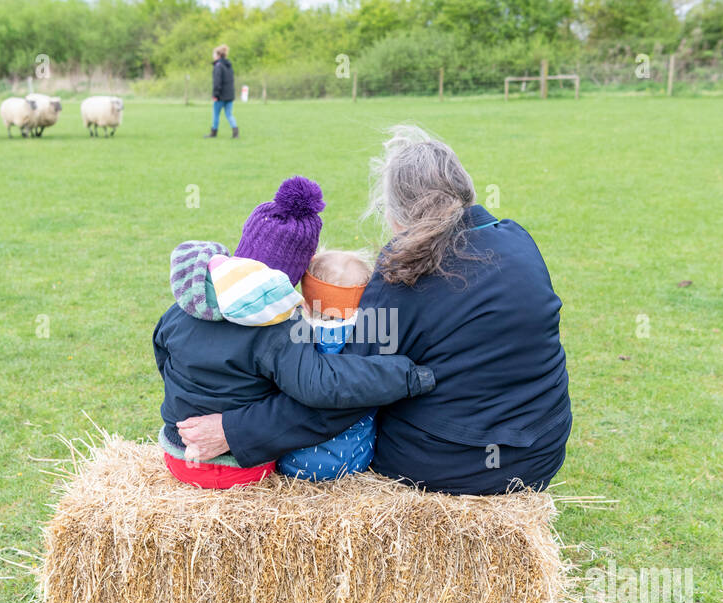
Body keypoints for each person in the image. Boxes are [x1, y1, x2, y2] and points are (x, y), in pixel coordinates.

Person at [178, 126, 572, 496]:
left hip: (447, 463)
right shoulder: (519, 240)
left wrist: (233, 431)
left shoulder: (404, 273)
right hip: (541, 454)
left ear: (397, 212)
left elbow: (342, 393)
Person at [153, 177, 436, 489]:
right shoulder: (279, 328)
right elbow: (318, 386)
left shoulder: (183, 304)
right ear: (297, 273)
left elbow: (162, 353)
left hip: (177, 454)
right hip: (238, 467)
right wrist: (406, 375)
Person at [276, 250, 377, 481]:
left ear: (307, 303)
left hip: (291, 461)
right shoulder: (371, 334)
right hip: (355, 461)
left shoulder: (291, 332)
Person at [206, 44, 238, 138]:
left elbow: (217, 82)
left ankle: (213, 133)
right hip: (230, 95)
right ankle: (235, 132)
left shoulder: (218, 66)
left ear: (218, 55)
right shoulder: (229, 65)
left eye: (214, 54)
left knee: (216, 115)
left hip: (220, 95)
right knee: (229, 114)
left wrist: (215, 94)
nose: (213, 56)